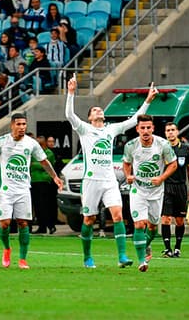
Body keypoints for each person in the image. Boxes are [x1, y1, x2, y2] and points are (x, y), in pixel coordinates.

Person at [66, 76, 157, 268]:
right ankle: (87, 257)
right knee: (89, 219)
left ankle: (122, 256)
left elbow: (134, 121)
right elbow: (69, 115)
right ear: (90, 117)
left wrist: (147, 101)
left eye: (100, 110)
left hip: (109, 181)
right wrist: (71, 93)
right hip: (91, 181)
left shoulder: (111, 130)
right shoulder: (84, 129)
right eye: (95, 110)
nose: (99, 111)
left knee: (117, 215)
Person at [0, 113, 62, 269]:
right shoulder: (1, 142)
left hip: (23, 189)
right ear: (12, 125)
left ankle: (22, 259)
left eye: (24, 124)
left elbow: (44, 161)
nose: (22, 127)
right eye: (19, 124)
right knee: (5, 223)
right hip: (5, 189)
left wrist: (54, 177)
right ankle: (7, 248)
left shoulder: (31, 143)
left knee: (23, 223)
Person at [122, 115, 177, 271]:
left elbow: (173, 164)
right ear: (137, 129)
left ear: (153, 128)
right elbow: (126, 163)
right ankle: (142, 262)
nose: (145, 131)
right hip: (138, 190)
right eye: (142, 128)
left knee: (152, 226)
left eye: (148, 128)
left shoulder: (163, 144)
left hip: (156, 192)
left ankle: (147, 245)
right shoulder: (131, 145)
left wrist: (161, 178)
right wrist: (128, 176)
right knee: (139, 224)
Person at [150, 122, 189, 259]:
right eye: (168, 130)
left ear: (177, 132)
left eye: (172, 130)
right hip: (166, 186)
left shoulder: (185, 149)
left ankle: (177, 248)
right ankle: (167, 248)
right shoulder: (161, 148)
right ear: (165, 133)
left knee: (180, 220)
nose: (170, 132)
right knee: (166, 218)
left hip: (181, 186)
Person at [30, 135, 59, 235]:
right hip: (33, 181)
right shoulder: (34, 153)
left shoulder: (49, 153)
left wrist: (34, 164)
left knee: (45, 205)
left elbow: (44, 165)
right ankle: (42, 226)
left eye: (40, 144)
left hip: (44, 181)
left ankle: (50, 225)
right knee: (37, 205)